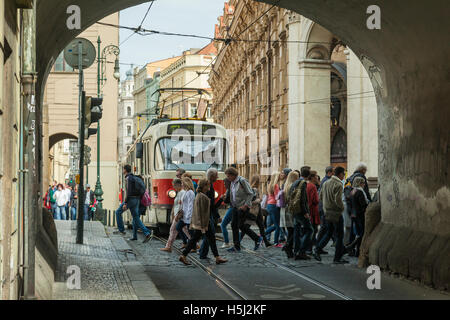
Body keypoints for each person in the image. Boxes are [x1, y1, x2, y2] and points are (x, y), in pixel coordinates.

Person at [179, 179, 228, 265]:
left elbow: (211, 208)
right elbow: (203, 211)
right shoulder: (202, 196)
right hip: (203, 223)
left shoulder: (200, 195)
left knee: (210, 239)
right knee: (194, 239)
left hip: (204, 222)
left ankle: (217, 257)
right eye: (208, 185)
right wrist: (202, 226)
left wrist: (220, 200)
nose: (209, 186)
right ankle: (183, 255)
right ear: (205, 186)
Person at [314, 166, 348, 264]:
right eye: (343, 174)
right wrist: (341, 208)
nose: (343, 176)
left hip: (326, 211)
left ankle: (317, 248)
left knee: (329, 232)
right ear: (340, 174)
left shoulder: (326, 183)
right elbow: (338, 200)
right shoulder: (338, 184)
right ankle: (337, 258)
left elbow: (320, 196)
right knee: (340, 235)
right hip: (336, 213)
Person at [223, 167, 258, 252]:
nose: (228, 178)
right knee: (234, 226)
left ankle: (257, 238)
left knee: (240, 225)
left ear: (233, 175)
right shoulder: (232, 182)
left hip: (242, 207)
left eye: (228, 176)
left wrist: (246, 205)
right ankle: (236, 246)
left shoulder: (242, 181)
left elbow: (250, 194)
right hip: (235, 207)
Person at [239, 174, 272, 248]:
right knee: (246, 227)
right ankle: (238, 242)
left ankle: (266, 242)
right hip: (254, 210)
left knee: (261, 226)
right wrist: (259, 200)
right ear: (256, 181)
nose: (260, 182)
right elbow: (251, 201)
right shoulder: (254, 189)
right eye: (259, 180)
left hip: (257, 210)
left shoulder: (254, 189)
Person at [198, 168, 224, 259]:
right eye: (216, 175)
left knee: (208, 235)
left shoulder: (209, 186)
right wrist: (217, 215)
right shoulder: (209, 187)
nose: (217, 177)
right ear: (212, 176)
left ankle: (202, 252)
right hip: (207, 215)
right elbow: (212, 205)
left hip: (207, 214)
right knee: (210, 235)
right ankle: (203, 254)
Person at [122, 165, 152, 243]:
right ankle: (135, 236)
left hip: (133, 201)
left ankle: (147, 232)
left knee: (120, 212)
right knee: (135, 219)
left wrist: (125, 202)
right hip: (138, 201)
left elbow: (128, 192)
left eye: (123, 169)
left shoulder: (129, 178)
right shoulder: (137, 180)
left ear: (125, 170)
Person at [290, 167, 314, 260]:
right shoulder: (303, 183)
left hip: (295, 210)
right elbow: (303, 199)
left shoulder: (295, 182)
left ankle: (296, 251)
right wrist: (305, 212)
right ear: (308, 175)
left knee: (297, 230)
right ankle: (301, 251)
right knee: (309, 230)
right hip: (300, 211)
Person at [161, 178, 190, 252]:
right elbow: (176, 205)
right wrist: (173, 213)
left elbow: (181, 205)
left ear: (179, 185)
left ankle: (168, 247)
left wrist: (177, 215)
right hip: (179, 215)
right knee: (185, 230)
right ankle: (195, 244)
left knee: (173, 230)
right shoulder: (179, 192)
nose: (173, 187)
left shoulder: (182, 193)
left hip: (180, 215)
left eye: (174, 185)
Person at [345, 177, 369, 257]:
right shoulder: (360, 192)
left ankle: (356, 251)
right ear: (360, 183)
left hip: (353, 214)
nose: (364, 184)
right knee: (361, 233)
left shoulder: (352, 191)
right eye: (363, 183)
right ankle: (352, 247)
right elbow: (363, 204)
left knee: (358, 233)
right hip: (360, 215)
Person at [315, 166, 334, 254]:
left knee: (324, 228)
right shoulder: (327, 181)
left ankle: (318, 246)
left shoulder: (324, 180)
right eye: (333, 172)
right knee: (326, 228)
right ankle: (318, 247)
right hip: (325, 207)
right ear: (329, 172)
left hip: (323, 206)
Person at [281, 170, 299, 258]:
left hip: (286, 210)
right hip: (292, 210)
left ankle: (289, 250)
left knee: (290, 231)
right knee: (294, 230)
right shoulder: (293, 186)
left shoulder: (285, 186)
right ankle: (288, 247)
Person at [176, 177, 196, 250]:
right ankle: (185, 242)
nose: (181, 185)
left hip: (188, 216)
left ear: (186, 183)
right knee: (178, 227)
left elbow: (191, 205)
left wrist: (189, 216)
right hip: (184, 215)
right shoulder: (186, 191)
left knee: (191, 232)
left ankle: (193, 247)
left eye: (182, 183)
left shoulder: (190, 192)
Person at [265, 171, 283, 247]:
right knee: (277, 225)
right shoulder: (275, 185)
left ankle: (263, 235)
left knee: (275, 225)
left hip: (269, 205)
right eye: (279, 175)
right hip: (274, 205)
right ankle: (276, 242)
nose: (281, 176)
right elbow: (277, 197)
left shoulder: (270, 185)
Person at [306, 171, 320, 253]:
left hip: (308, 210)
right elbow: (314, 200)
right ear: (312, 177)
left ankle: (309, 247)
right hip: (312, 211)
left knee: (310, 230)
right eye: (316, 176)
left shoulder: (306, 185)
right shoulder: (312, 186)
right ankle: (309, 248)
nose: (317, 177)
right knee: (313, 230)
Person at [220, 177, 234, 248]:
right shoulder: (232, 188)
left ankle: (226, 242)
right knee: (235, 226)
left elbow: (226, 201)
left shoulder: (229, 189)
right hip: (233, 208)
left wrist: (223, 198)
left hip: (232, 208)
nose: (224, 185)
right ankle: (235, 242)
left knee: (223, 225)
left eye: (225, 184)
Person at [278, 168, 291, 242]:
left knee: (288, 225)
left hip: (286, 206)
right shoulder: (284, 183)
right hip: (284, 206)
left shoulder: (286, 183)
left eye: (282, 173)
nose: (281, 174)